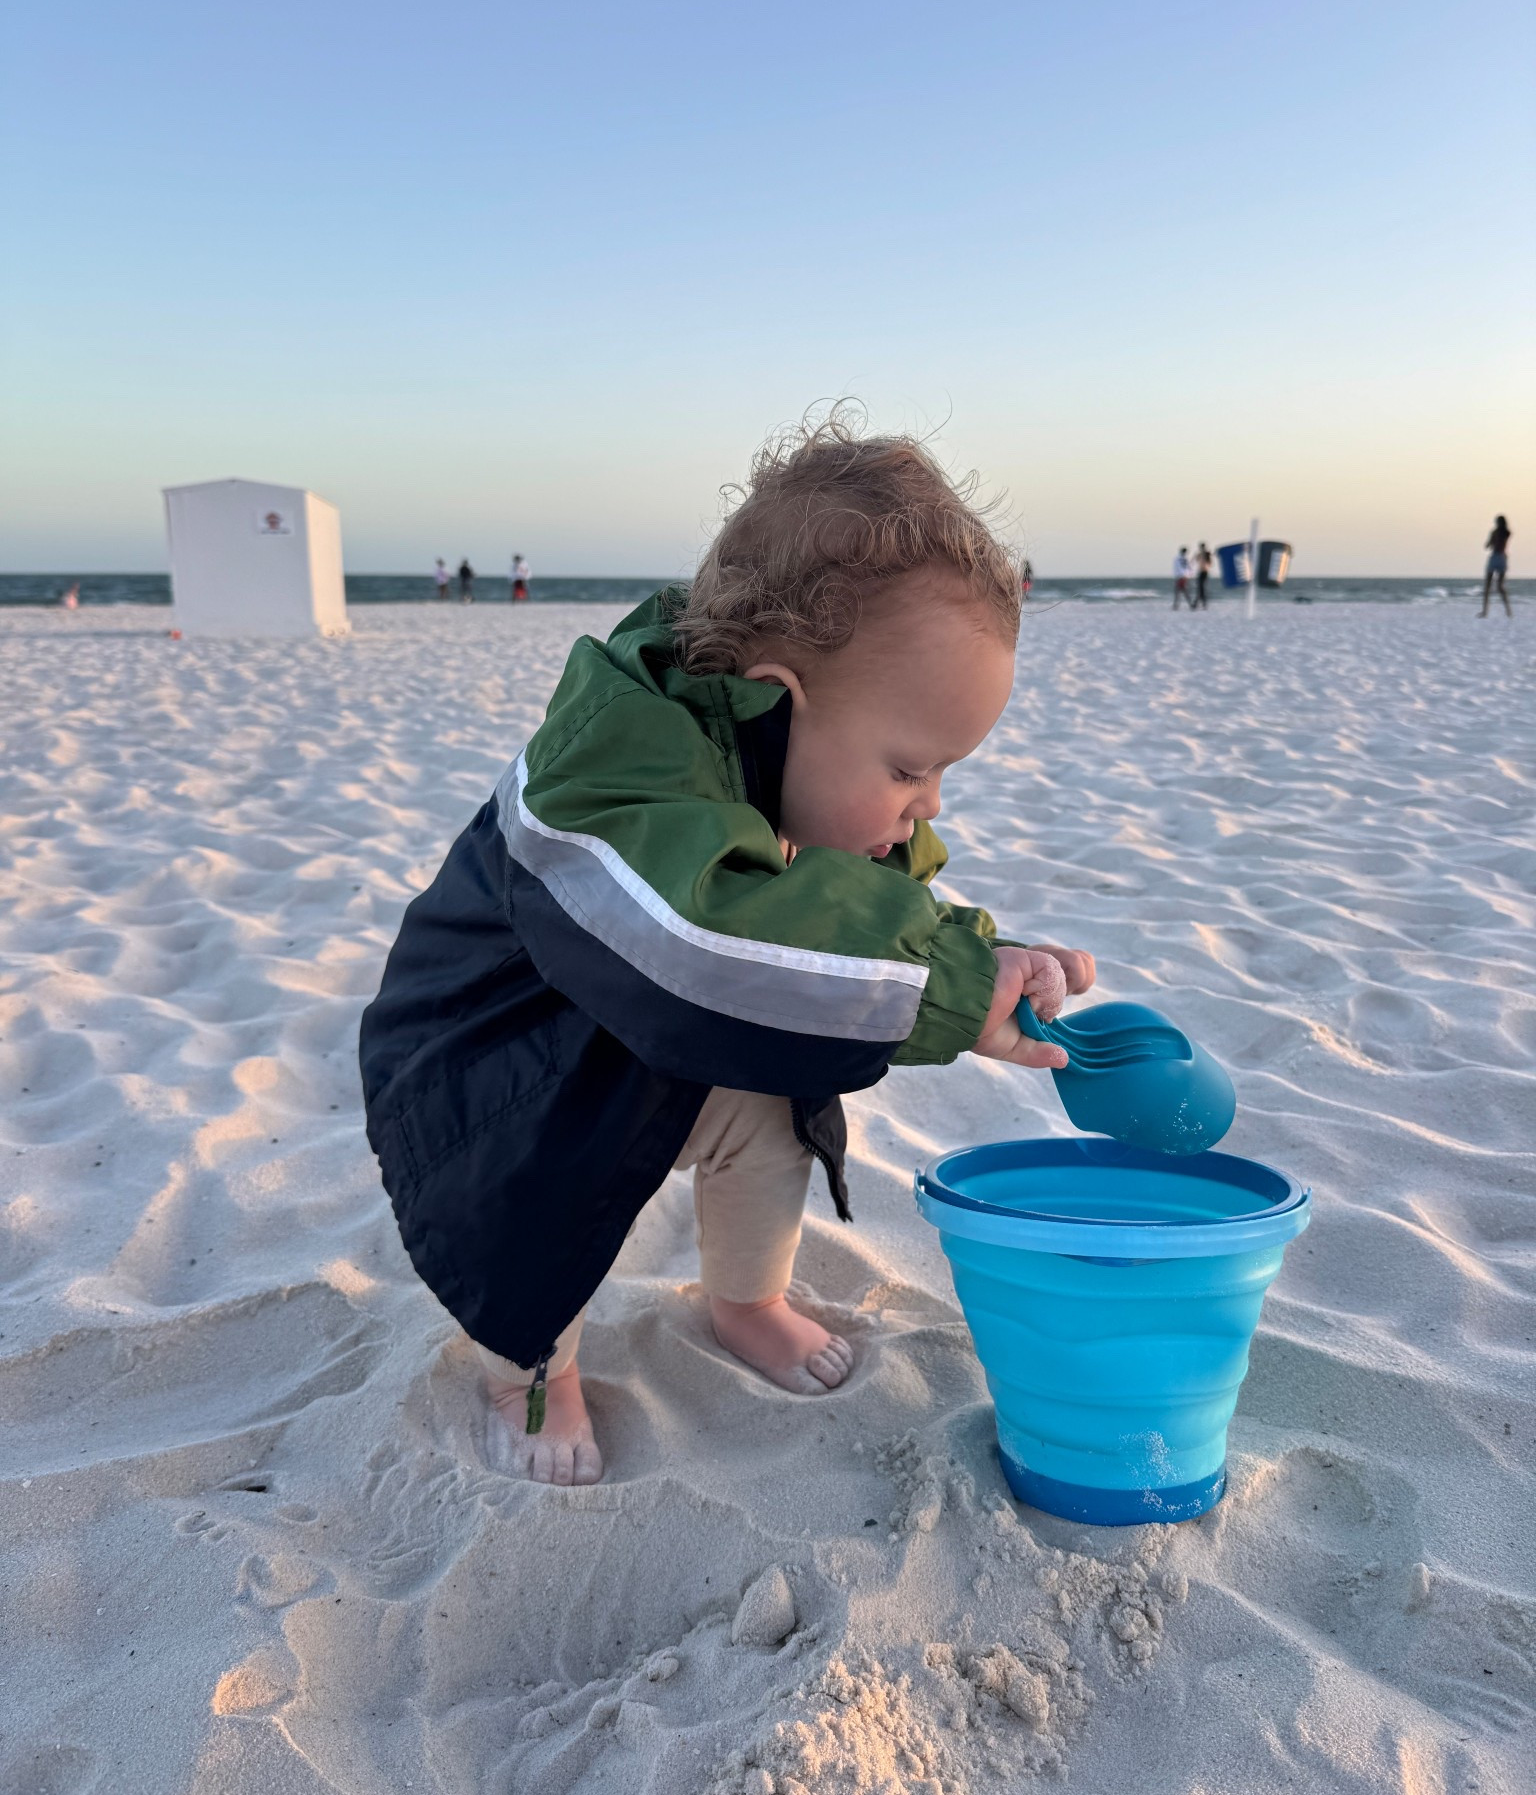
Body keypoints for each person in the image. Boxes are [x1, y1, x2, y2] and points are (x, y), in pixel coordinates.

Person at [359, 417, 1096, 1487]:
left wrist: (989, 956)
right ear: (781, 696)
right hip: (496, 1077)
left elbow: (863, 905)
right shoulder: (613, 763)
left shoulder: (777, 750)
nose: (927, 803)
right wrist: (943, 995)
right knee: (530, 1213)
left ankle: (745, 1299)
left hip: (632, 1047)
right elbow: (694, 935)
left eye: (944, 775)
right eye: (909, 768)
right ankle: (524, 1370)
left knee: (775, 1101)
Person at [1481, 516, 1513, 618]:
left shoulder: (1496, 532)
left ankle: (1485, 611)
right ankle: (1508, 610)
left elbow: (1488, 545)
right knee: (1500, 586)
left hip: (1495, 557)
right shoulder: (1507, 532)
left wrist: (1491, 539)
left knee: (1488, 586)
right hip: (1502, 557)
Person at [1193, 542, 1212, 610]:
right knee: (1200, 588)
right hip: (1201, 571)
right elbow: (1195, 560)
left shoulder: (1206, 554)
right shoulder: (1201, 554)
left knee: (1201, 588)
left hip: (1204, 572)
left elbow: (1210, 563)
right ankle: (1200, 603)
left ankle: (1199, 603)